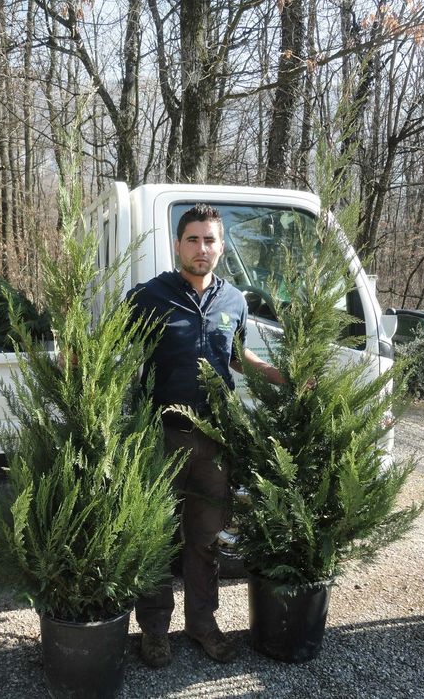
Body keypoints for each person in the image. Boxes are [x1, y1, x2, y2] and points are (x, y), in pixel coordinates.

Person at [126, 203, 285, 667]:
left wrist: (284, 376)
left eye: (210, 240)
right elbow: (115, 349)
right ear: (177, 245)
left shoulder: (234, 300)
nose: (202, 248)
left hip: (213, 441)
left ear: (221, 246)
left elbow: (237, 358)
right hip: (160, 439)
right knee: (155, 536)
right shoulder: (148, 296)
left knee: (205, 538)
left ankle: (203, 624)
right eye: (193, 239)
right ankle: (154, 631)